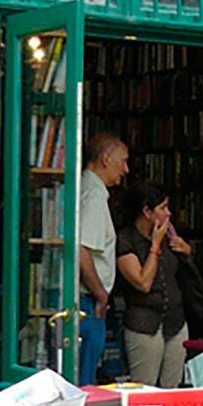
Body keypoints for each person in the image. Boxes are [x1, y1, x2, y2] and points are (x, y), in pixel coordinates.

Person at [114, 181, 194, 387]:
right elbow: (143, 282)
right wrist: (155, 246)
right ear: (147, 212)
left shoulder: (170, 236)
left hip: (175, 322)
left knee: (173, 388)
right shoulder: (125, 240)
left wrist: (186, 252)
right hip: (144, 324)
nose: (169, 214)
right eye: (163, 208)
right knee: (144, 389)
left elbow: (182, 276)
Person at [77, 132, 128, 385]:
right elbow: (81, 249)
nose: (126, 169)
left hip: (85, 298)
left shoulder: (85, 188)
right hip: (87, 301)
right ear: (106, 159)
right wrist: (101, 294)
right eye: (123, 161)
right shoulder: (95, 197)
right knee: (84, 380)